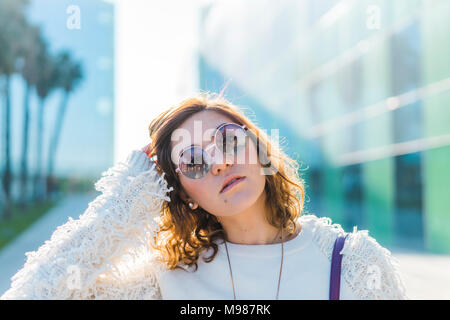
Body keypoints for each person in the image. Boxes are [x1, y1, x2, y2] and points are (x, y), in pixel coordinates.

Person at [1, 92, 407, 300]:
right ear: (183, 194)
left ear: (260, 148)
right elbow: (33, 292)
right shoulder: (167, 282)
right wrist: (126, 197)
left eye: (227, 141)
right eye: (192, 161)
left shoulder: (351, 262)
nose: (217, 163)